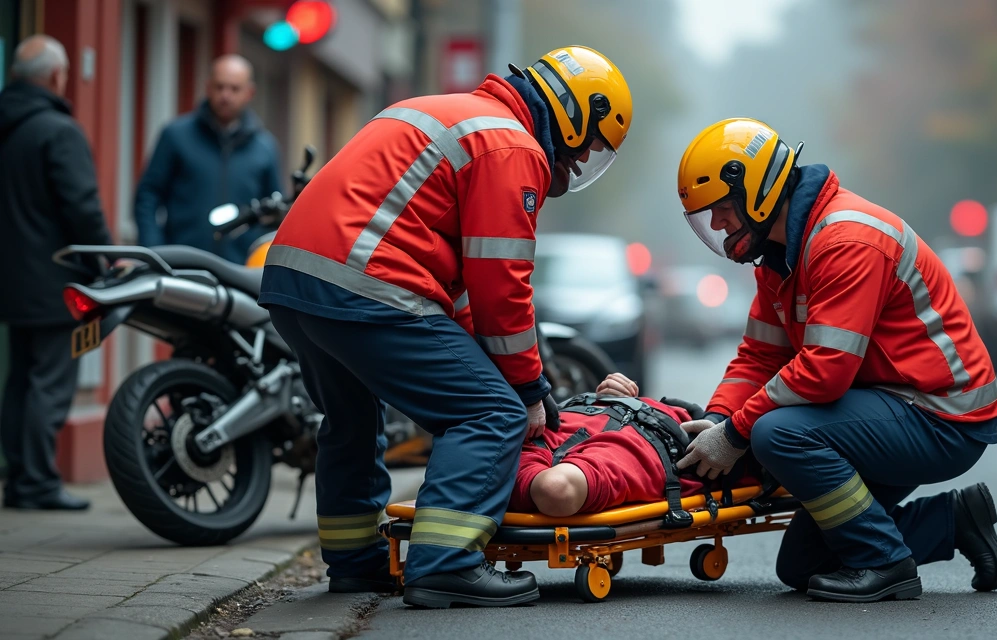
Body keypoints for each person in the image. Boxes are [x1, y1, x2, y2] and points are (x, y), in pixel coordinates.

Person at [257, 47, 632, 608]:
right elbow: (501, 283)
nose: (578, 164)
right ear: (576, 114)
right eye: (587, 146)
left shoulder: (449, 111)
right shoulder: (512, 146)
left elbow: (459, 290)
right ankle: (445, 564)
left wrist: (494, 363)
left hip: (295, 278)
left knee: (352, 419)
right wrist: (527, 389)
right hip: (365, 281)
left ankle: (355, 563)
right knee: (490, 414)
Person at [673, 118, 997, 603]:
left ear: (759, 192)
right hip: (889, 406)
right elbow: (760, 356)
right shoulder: (779, 257)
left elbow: (826, 370)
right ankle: (956, 521)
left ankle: (886, 563)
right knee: (802, 566)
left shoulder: (846, 239)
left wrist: (737, 432)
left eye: (723, 208)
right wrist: (719, 417)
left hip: (940, 415)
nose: (718, 224)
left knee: (776, 433)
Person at [0, 35, 112, 511]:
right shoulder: (58, 131)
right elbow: (82, 207)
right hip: (54, 281)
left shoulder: (8, 126)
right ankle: (37, 484)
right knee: (49, 382)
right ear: (53, 76)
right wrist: (106, 259)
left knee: (22, 380)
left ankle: (19, 479)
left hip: (11, 278)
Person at [133, 55, 281, 263]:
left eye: (234, 89)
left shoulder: (265, 148)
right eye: (219, 87)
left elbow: (275, 213)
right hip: (181, 264)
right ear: (208, 87)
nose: (225, 95)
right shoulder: (176, 136)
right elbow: (148, 196)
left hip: (240, 269)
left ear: (249, 93)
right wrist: (154, 250)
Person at [512, 373, 703, 517]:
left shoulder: (517, 454)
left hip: (629, 419)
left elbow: (556, 488)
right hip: (654, 432)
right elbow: (556, 489)